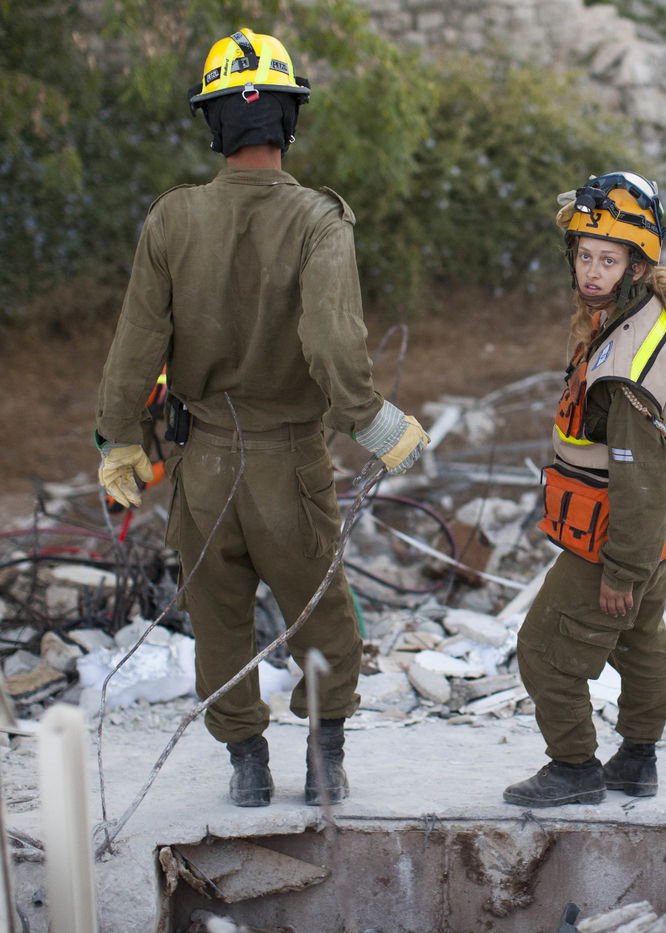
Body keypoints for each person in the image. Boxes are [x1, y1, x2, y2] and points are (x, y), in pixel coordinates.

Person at [95, 28, 428, 808]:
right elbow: (332, 339)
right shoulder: (319, 219)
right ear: (287, 120)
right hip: (290, 462)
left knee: (219, 618)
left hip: (202, 463)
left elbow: (135, 345)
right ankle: (323, 763)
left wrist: (117, 442)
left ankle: (246, 767)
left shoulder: (172, 221)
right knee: (320, 615)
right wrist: (372, 422)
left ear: (215, 124)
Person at [505, 172, 666, 807]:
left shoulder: (624, 364)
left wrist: (621, 569)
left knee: (542, 650)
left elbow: (638, 474)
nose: (592, 271)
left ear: (637, 265)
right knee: (641, 639)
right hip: (661, 535)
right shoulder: (640, 316)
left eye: (609, 260)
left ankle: (574, 769)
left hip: (619, 539)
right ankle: (637, 761)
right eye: (585, 257)